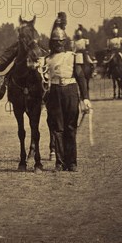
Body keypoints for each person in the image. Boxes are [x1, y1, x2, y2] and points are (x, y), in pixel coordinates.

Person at [45, 18, 92, 172]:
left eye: (61, 41)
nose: (58, 43)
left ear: (65, 41)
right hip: (54, 93)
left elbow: (81, 77)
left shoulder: (73, 56)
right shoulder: (47, 60)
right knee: (57, 129)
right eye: (55, 41)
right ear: (52, 42)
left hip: (71, 92)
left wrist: (85, 98)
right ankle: (59, 162)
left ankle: (72, 162)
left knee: (70, 127)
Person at [73, 24, 94, 97]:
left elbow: (88, 48)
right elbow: (74, 49)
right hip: (78, 54)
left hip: (84, 53)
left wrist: (87, 52)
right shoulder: (75, 42)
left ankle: (93, 72)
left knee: (91, 62)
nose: (79, 36)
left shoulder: (85, 40)